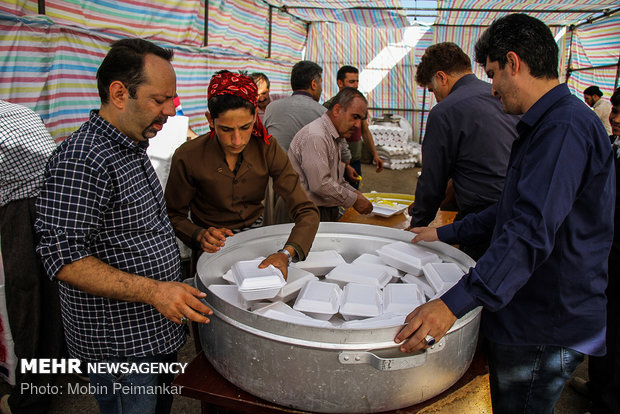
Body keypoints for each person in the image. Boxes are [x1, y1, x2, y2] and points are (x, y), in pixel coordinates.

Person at [395, 13, 614, 413]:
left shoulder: (563, 129)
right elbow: (511, 209)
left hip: (545, 320)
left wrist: (452, 303)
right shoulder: (546, 123)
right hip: (531, 306)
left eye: (494, 74)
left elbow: (528, 232)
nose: (492, 88)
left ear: (514, 63)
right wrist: (443, 233)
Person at [34, 38, 213, 414]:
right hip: (121, 345)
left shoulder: (130, 146)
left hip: (152, 333)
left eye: (172, 98)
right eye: (159, 99)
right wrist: (155, 292)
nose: (170, 109)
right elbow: (63, 258)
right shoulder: (84, 159)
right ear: (119, 93)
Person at [164, 70, 319, 277]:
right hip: (209, 252)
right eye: (226, 129)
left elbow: (306, 211)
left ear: (255, 115)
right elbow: (173, 215)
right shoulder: (187, 156)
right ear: (210, 120)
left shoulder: (267, 148)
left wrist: (287, 253)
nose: (237, 140)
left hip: (256, 246)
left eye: (245, 127)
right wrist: (199, 234)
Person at [409, 42, 518, 260]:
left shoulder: (445, 111)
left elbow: (433, 180)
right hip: (519, 208)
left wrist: (418, 225)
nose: (436, 97)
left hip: (481, 217)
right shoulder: (504, 97)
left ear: (441, 77)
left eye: (432, 90)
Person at [0, 100, 64, 414]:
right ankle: (58, 371)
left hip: (22, 210)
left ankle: (30, 400)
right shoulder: (20, 110)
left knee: (26, 301)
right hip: (55, 202)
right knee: (55, 294)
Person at [572, 88, 620, 414]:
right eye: (615, 109)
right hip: (605, 254)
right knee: (605, 327)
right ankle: (597, 385)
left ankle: (608, 403)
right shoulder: (612, 146)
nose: (614, 118)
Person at [288, 87, 373, 221]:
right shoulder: (316, 136)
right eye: (355, 117)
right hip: (306, 213)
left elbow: (336, 180)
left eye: (360, 119)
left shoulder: (335, 136)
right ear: (337, 110)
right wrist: (354, 199)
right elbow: (321, 184)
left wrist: (355, 193)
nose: (358, 125)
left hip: (321, 209)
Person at [323, 65, 384, 189]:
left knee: (353, 198)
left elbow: (365, 131)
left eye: (357, 81)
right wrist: (344, 164)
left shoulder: (359, 105)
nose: (356, 85)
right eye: (351, 82)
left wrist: (375, 154)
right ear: (340, 83)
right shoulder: (329, 106)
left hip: (355, 160)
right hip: (336, 162)